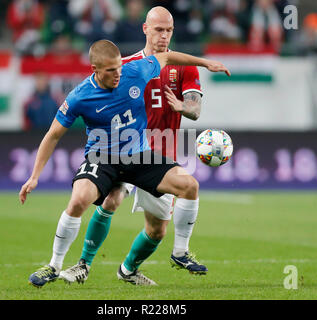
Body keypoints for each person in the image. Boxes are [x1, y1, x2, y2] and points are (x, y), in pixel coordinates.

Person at [20, 38, 230, 288]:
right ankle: (54, 266)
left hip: (138, 155)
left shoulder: (135, 70)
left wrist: (206, 63)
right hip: (102, 157)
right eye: (111, 70)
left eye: (119, 67)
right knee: (78, 201)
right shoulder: (79, 96)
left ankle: (180, 253)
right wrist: (34, 176)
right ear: (94, 70)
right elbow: (53, 135)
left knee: (189, 186)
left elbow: (168, 57)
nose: (118, 74)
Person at [59, 6, 210, 287]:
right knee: (110, 201)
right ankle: (83, 264)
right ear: (145, 29)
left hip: (162, 156)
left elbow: (195, 108)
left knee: (157, 230)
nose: (164, 36)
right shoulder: (125, 66)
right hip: (127, 150)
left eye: (169, 30)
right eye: (158, 30)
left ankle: (128, 269)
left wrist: (183, 107)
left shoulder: (184, 66)